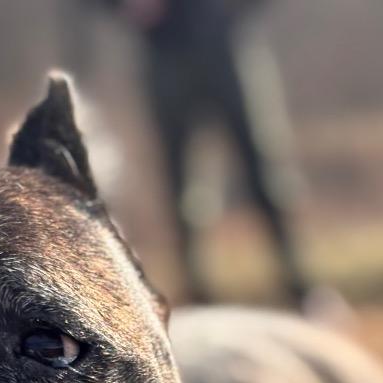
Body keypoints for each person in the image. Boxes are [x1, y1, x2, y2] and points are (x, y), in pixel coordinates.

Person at [104, 0, 312, 306]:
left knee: (264, 170)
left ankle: (299, 284)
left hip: (227, 44)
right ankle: (197, 291)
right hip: (165, 53)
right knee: (180, 183)